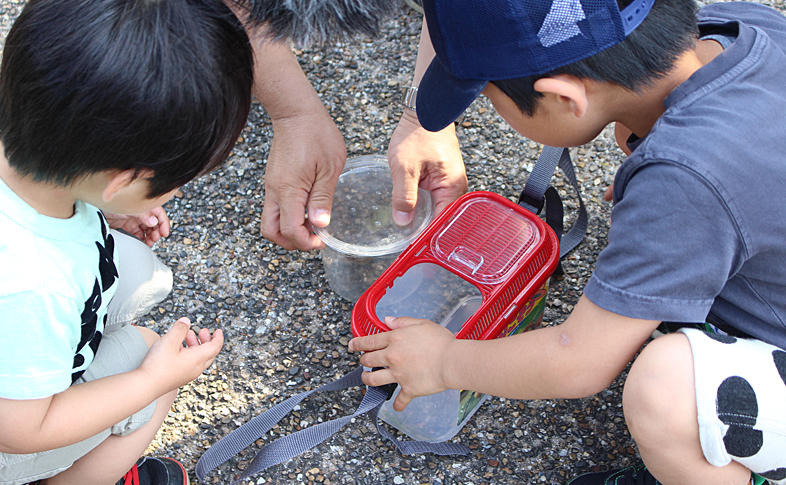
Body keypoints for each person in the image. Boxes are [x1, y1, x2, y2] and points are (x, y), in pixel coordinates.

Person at [348, 0, 786, 484]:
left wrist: (444, 360)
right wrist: (660, 168)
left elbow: (577, 360)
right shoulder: (740, 26)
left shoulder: (685, 180)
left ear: (563, 97)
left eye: (490, 97)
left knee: (667, 388)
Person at [0, 0, 254, 482]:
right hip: (13, 433)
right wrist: (151, 380)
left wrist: (98, 210)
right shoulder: (33, 284)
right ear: (121, 180)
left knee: (142, 273)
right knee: (148, 358)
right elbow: (19, 428)